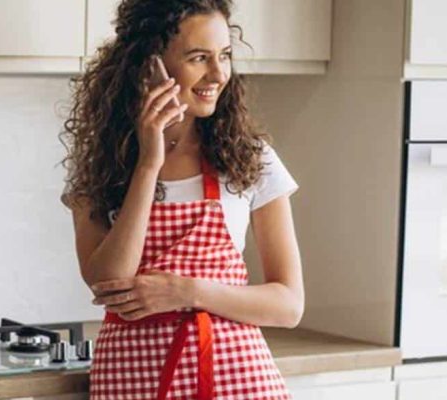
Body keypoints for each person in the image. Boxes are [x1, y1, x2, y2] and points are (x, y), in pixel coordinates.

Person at [59, 0, 303, 398]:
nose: (218, 73)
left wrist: (188, 291)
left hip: (234, 381)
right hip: (130, 382)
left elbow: (289, 305)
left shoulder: (249, 159)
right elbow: (108, 282)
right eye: (198, 58)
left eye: (224, 55)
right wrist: (148, 163)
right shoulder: (102, 168)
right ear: (149, 65)